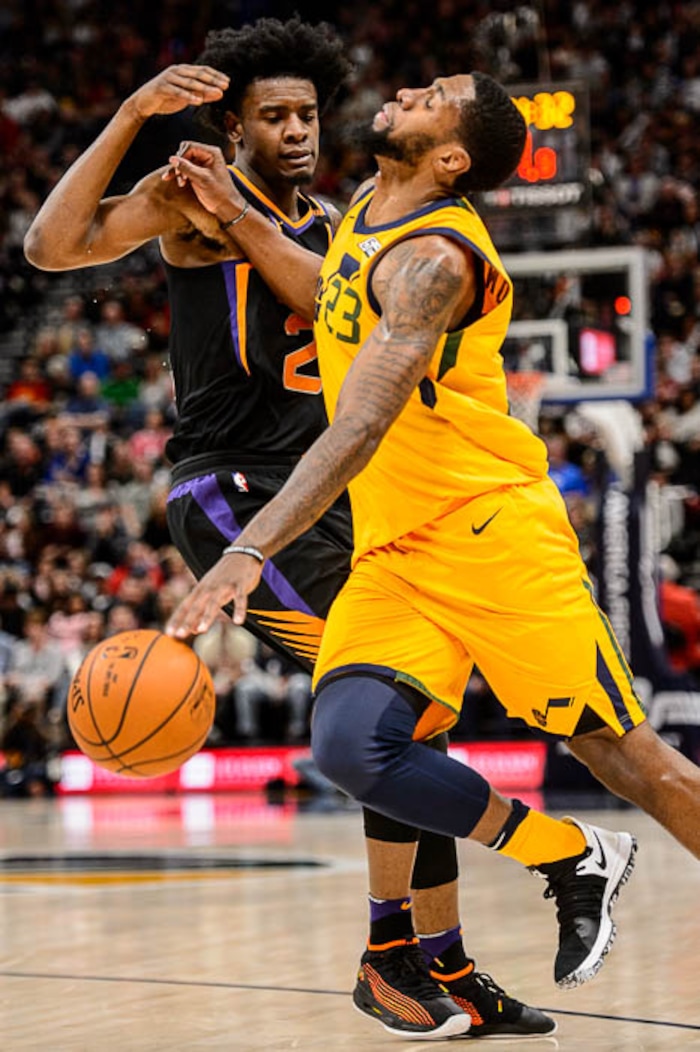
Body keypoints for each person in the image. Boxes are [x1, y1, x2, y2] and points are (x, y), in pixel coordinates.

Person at [23, 18, 554, 1040]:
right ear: (235, 124)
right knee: (392, 716)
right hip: (227, 492)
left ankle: (439, 957)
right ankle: (390, 954)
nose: (298, 131)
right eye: (274, 116)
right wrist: (134, 115)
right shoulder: (195, 204)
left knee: (416, 713)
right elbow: (51, 246)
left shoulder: (351, 225)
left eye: (308, 113)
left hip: (316, 497)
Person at [162, 65, 700, 1032]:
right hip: (396, 552)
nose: (407, 93)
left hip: (492, 535)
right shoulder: (369, 206)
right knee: (352, 743)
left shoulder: (438, 260)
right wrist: (238, 221)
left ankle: (545, 876)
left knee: (632, 761)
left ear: (450, 155)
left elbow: (360, 420)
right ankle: (569, 855)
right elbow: (326, 296)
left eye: (432, 97)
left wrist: (252, 549)